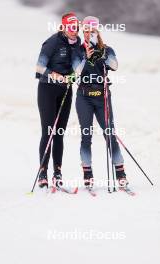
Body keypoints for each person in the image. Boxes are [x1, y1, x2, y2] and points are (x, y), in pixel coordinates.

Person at [72, 16, 128, 188]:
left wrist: (101, 53)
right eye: (86, 31)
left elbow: (115, 65)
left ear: (97, 32)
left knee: (109, 133)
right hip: (84, 97)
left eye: (92, 31)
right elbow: (76, 72)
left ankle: (120, 173)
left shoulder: (107, 49)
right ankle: (87, 173)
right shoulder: (78, 50)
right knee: (86, 135)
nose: (89, 34)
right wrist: (86, 57)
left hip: (102, 97)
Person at [36, 12, 80, 188]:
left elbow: (78, 66)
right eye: (71, 28)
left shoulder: (77, 44)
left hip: (65, 92)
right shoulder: (52, 42)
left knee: (60, 133)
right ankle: (43, 173)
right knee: (49, 131)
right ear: (63, 27)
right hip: (47, 90)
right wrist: (55, 75)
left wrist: (74, 75)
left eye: (76, 28)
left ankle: (57, 172)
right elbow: (39, 67)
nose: (74, 31)